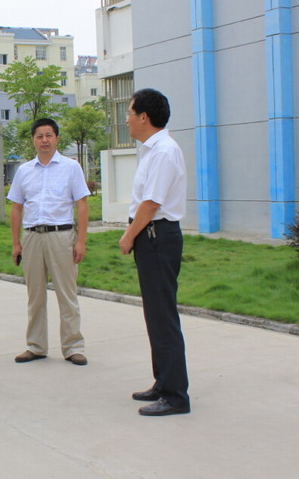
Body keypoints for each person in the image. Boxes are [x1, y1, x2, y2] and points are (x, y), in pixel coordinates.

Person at [118, 88, 191, 416]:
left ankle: (175, 396)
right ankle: (163, 382)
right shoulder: (153, 150)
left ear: (144, 117)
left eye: (130, 113)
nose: (127, 120)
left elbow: (151, 204)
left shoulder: (163, 151)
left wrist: (128, 235)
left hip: (156, 237)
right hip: (152, 236)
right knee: (155, 314)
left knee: (163, 316)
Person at [7, 118, 90, 366]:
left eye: (49, 135)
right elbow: (16, 208)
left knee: (67, 294)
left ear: (57, 139)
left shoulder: (71, 167)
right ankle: (36, 346)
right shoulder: (24, 171)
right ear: (33, 140)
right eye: (39, 136)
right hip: (32, 237)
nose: (44, 140)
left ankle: (73, 347)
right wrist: (16, 243)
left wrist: (81, 241)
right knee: (35, 296)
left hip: (61, 236)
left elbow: (82, 205)